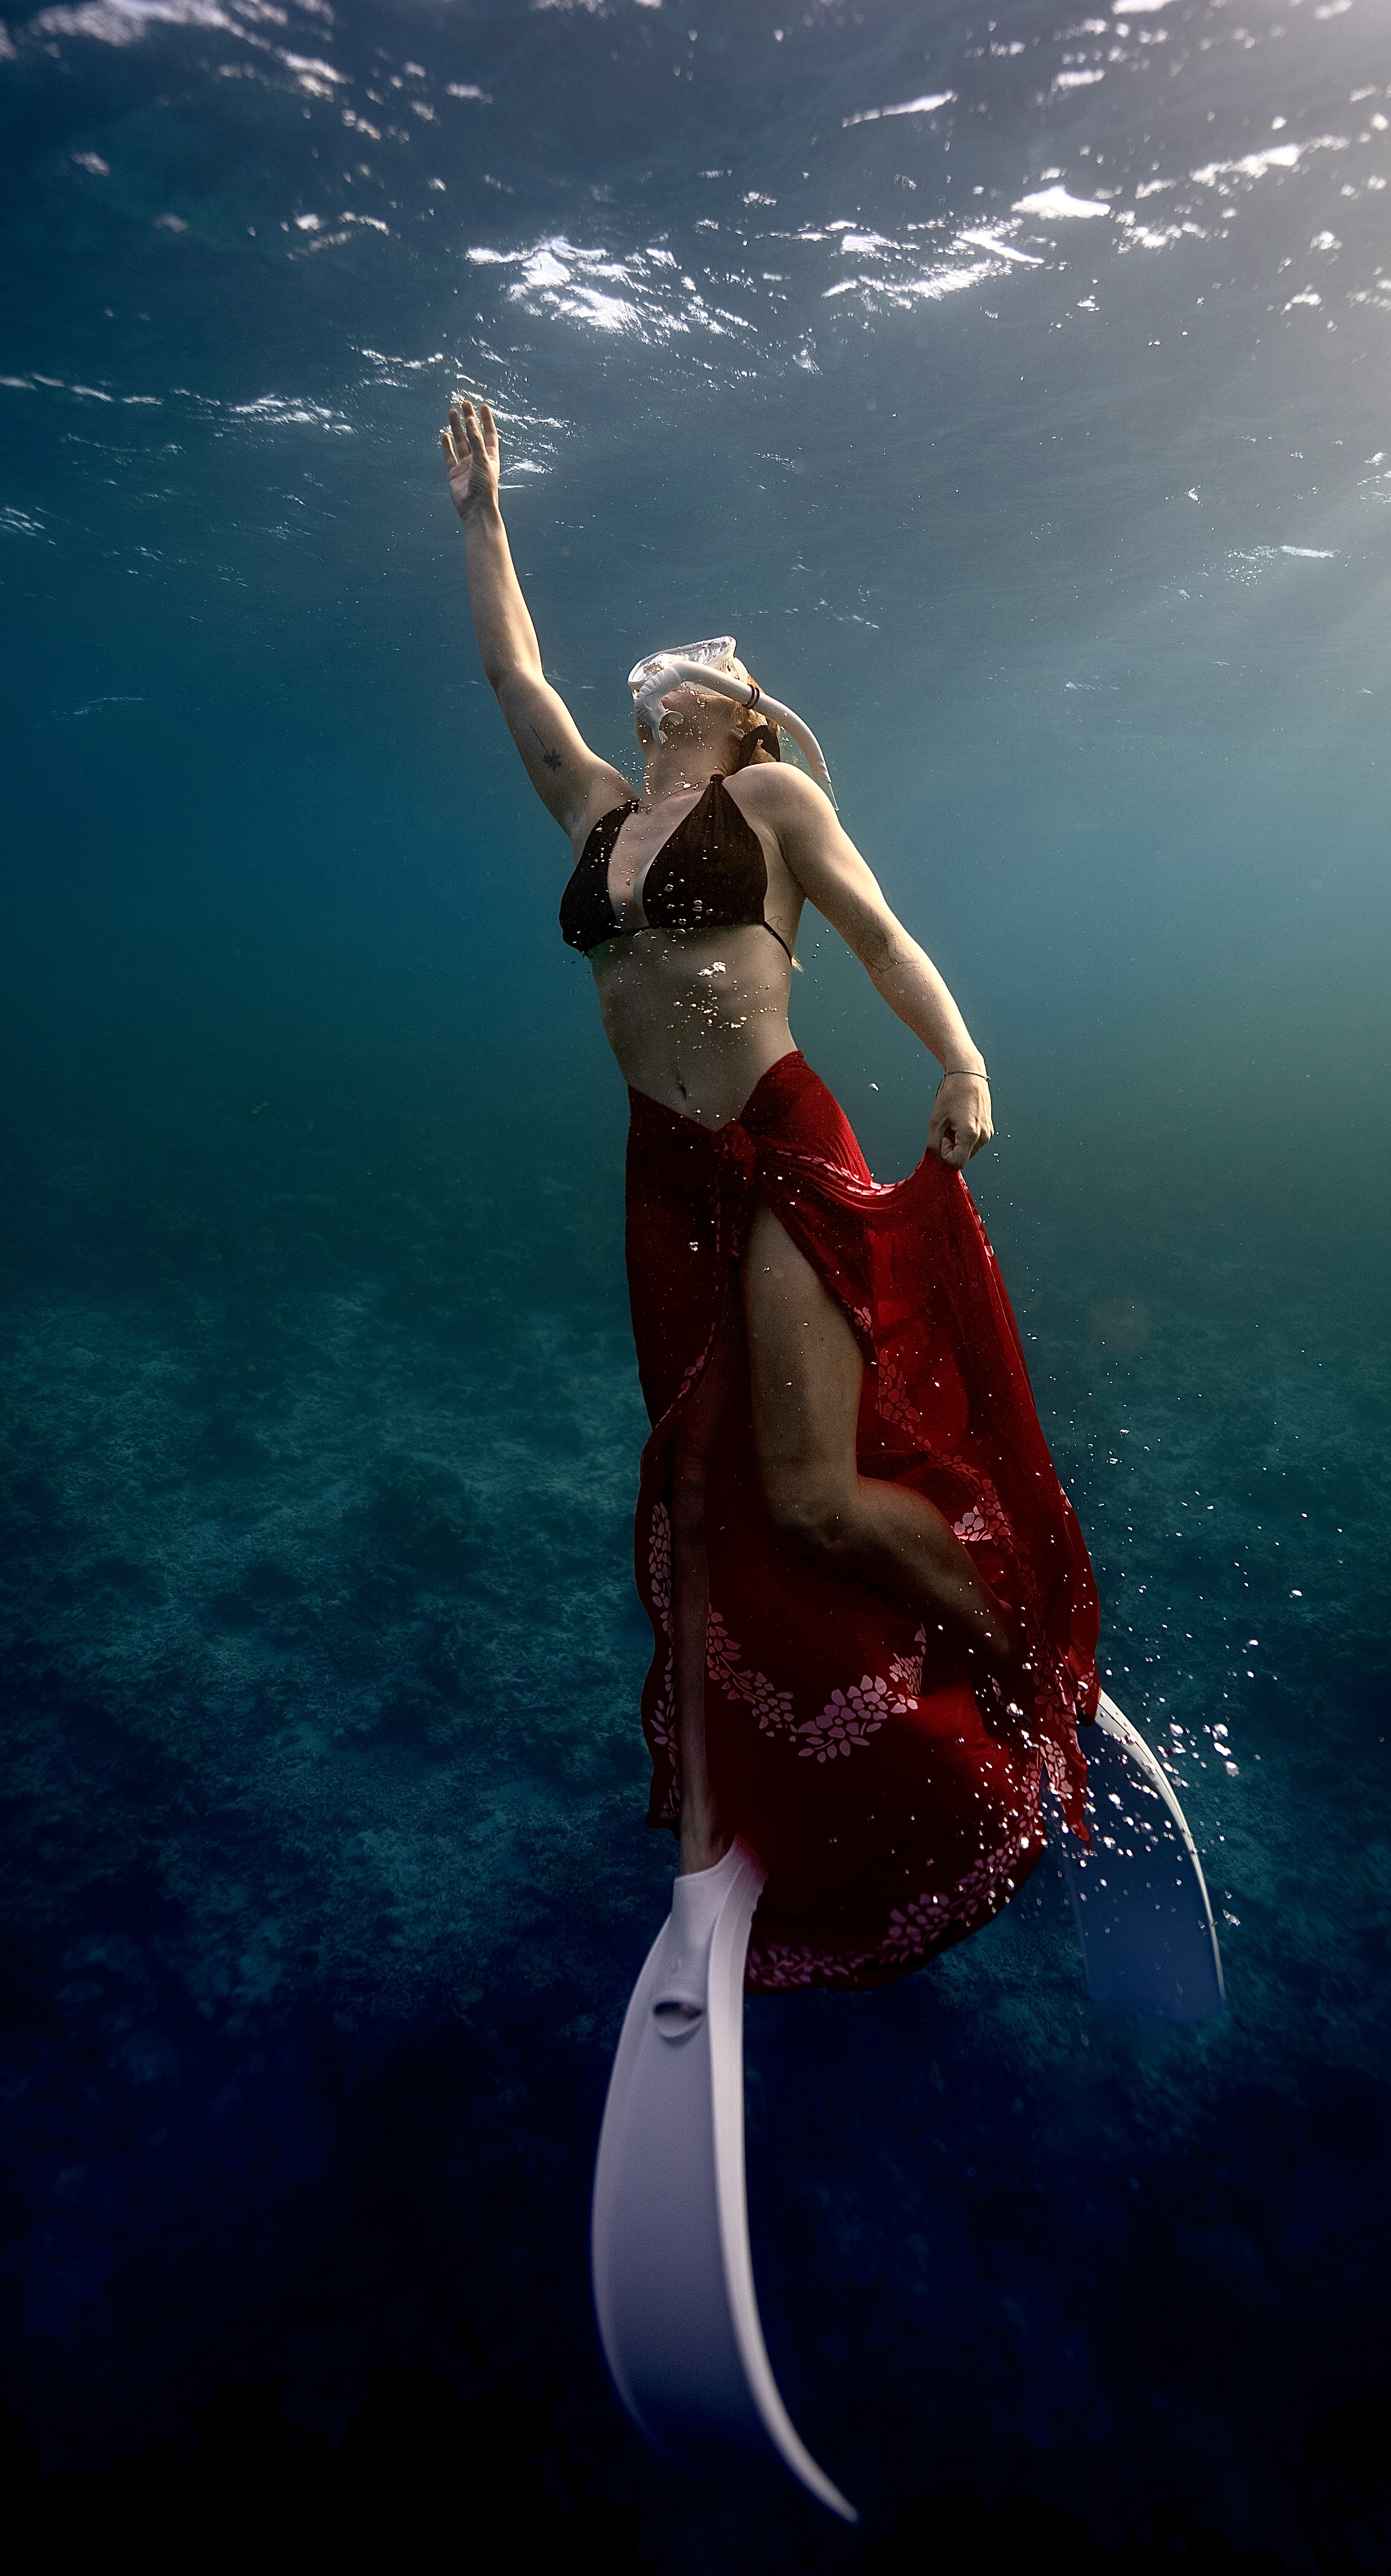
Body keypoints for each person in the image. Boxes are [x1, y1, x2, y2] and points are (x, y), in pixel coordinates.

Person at [442, 395, 1098, 1991]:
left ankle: (1017, 1651)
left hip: (778, 1143)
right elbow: (517, 679)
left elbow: (879, 937)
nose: (676, 677)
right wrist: (483, 518)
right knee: (698, 1491)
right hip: (660, 1168)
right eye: (670, 671)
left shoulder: (777, 804)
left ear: (746, 719)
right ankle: (711, 1836)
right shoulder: (599, 811)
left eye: (713, 673)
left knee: (806, 1494)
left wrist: (962, 1062)